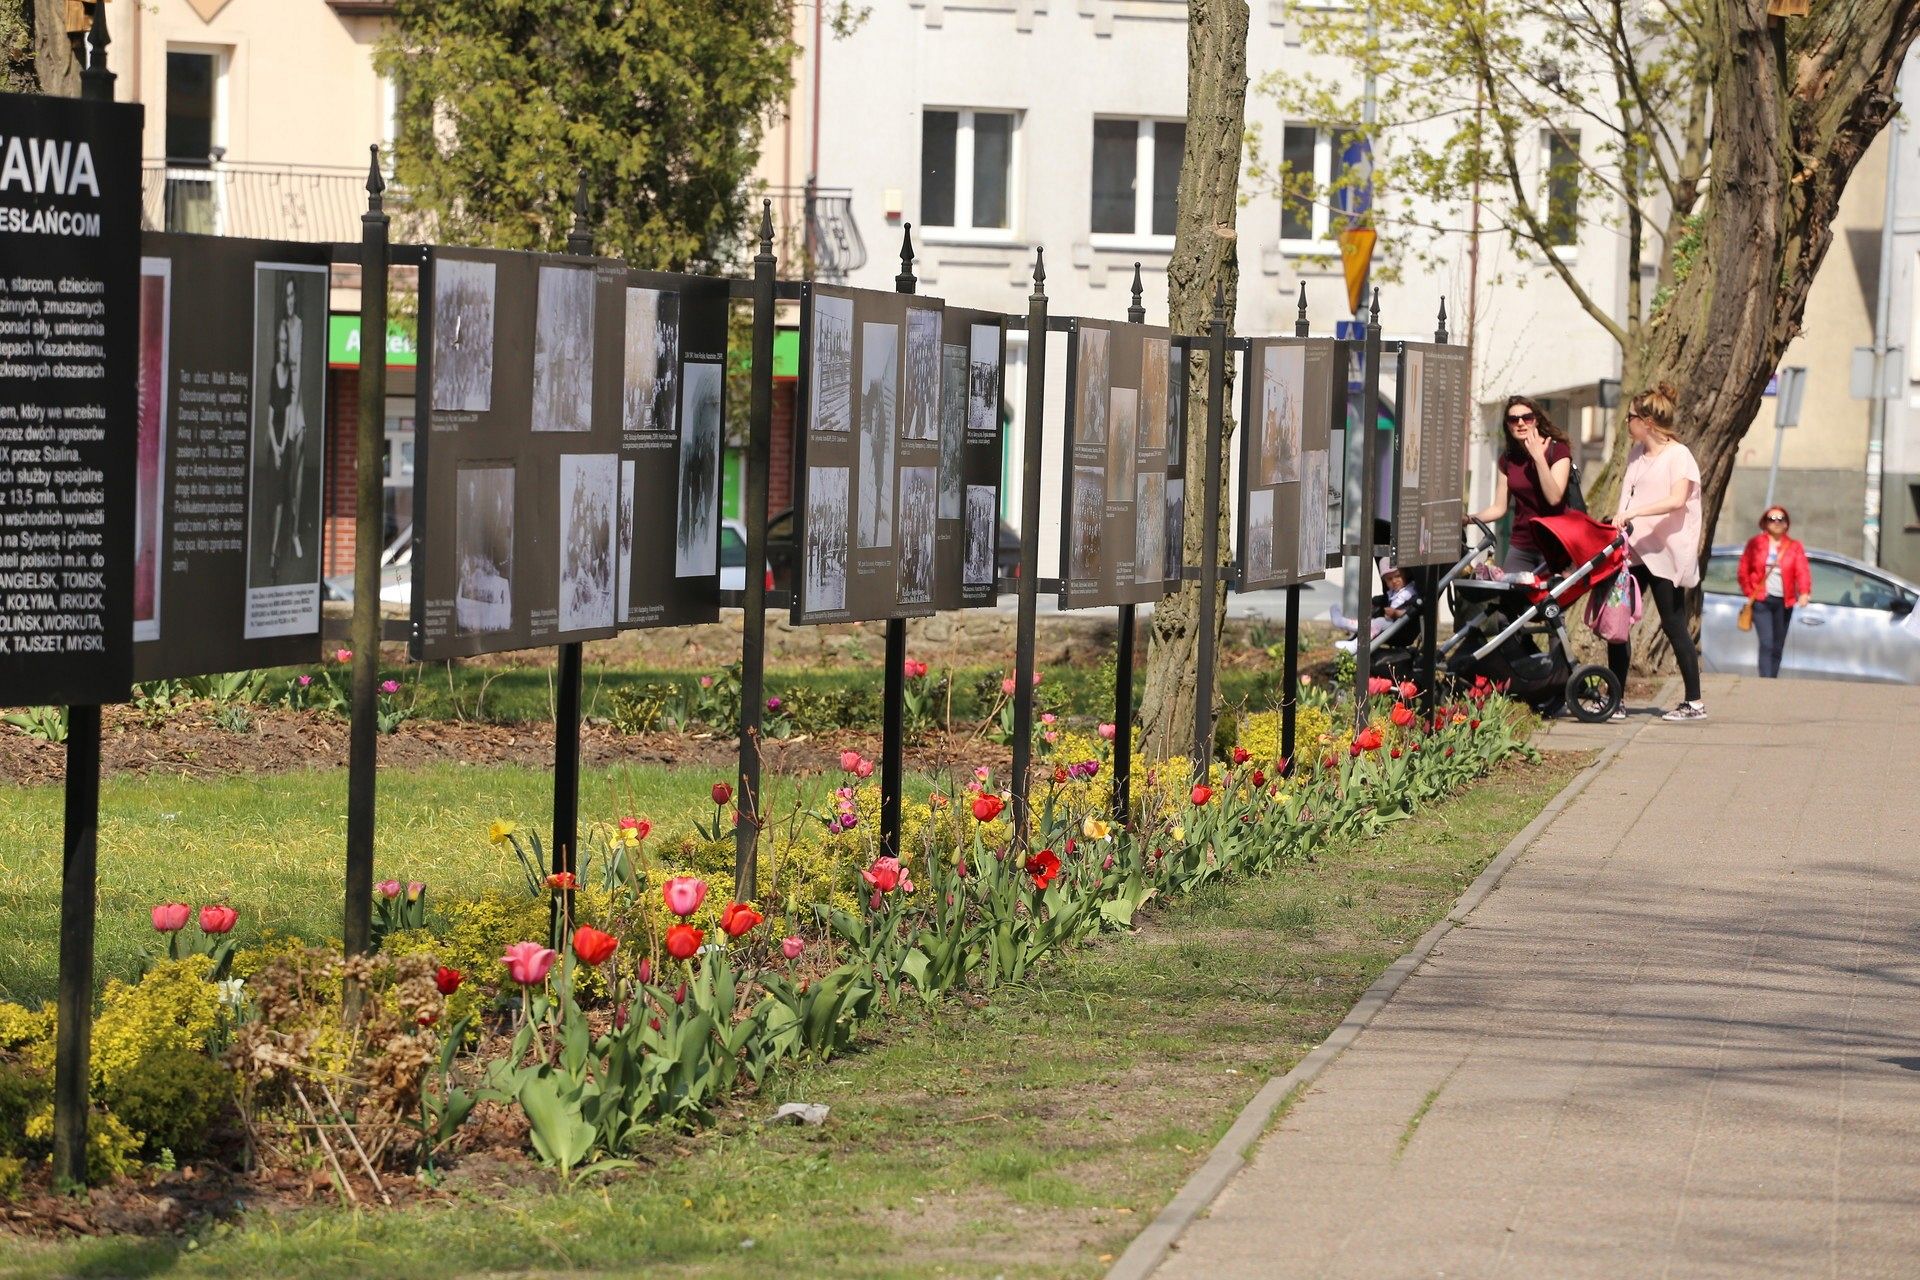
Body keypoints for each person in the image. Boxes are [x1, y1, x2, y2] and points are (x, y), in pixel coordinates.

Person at [1608, 382, 1706, 721]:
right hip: (1633, 550)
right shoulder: (1637, 454)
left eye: (1631, 417)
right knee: (1618, 623)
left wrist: (1635, 513)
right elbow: (1628, 497)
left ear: (1647, 422)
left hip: (1664, 551)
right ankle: (1615, 700)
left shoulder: (1679, 456)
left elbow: (1677, 500)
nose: (1627, 423)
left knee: (1673, 622)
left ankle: (1694, 702)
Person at [1466, 396, 1573, 573]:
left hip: (1555, 543)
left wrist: (1538, 457)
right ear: (1508, 425)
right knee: (1511, 598)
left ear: (1536, 420)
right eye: (1513, 419)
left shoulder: (1557, 450)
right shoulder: (1508, 460)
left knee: (1548, 600)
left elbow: (1554, 498)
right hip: (1521, 546)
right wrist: (1467, 519)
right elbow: (1499, 508)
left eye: (1527, 418)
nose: (1521, 423)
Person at [1737, 505, 1811, 678]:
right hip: (1762, 600)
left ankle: (1772, 680)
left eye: (1781, 519)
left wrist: (1804, 592)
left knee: (1778, 645)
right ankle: (1765, 681)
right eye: (1772, 519)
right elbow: (1743, 570)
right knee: (1767, 642)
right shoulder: (1755, 543)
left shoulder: (1794, 546)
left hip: (1785, 601)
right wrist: (1750, 591)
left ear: (1786, 524)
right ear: (1764, 523)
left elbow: (1802, 570)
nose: (1776, 522)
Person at [1333, 562, 1420, 652]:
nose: (1394, 581)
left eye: (1397, 576)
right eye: (1389, 579)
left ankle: (1356, 645)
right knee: (1373, 621)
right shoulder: (1393, 592)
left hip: (1403, 628)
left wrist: (1396, 613)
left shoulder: (1409, 592)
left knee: (1378, 622)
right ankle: (1346, 622)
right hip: (1391, 624)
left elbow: (1411, 611)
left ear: (1406, 574)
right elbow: (1383, 600)